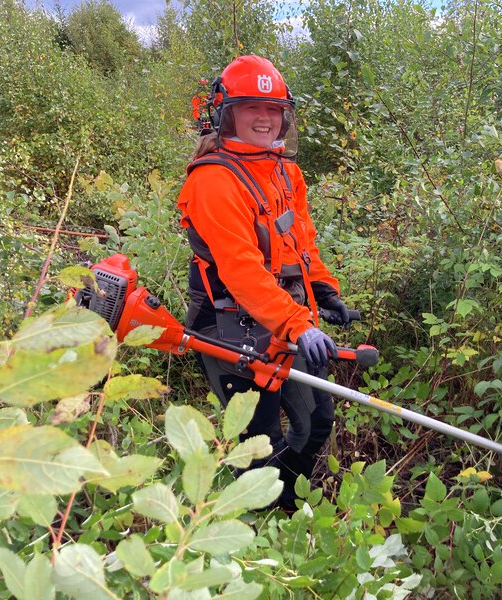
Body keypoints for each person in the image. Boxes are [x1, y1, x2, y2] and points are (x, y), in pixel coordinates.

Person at [177, 55, 353, 511]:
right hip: (229, 328)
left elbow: (301, 243)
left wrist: (324, 290)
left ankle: (288, 506)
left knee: (316, 420)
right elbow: (242, 272)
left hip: (283, 320)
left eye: (273, 109)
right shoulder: (214, 180)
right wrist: (299, 325)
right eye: (252, 107)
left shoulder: (283, 170)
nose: (264, 118)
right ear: (226, 113)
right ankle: (258, 525)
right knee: (258, 441)